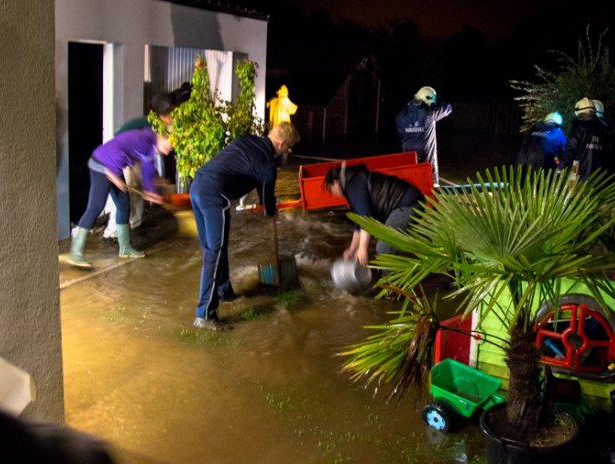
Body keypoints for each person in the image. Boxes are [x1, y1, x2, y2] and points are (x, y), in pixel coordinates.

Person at [189, 122, 300, 331]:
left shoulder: (248, 140)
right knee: (214, 251)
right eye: (288, 148)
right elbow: (267, 200)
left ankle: (224, 291)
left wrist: (266, 203)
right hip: (214, 195)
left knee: (213, 247)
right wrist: (271, 211)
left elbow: (255, 178)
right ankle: (204, 314)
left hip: (197, 187)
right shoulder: (268, 164)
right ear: (281, 143)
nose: (288, 152)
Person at [65, 127, 171, 269]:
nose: (166, 151)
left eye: (169, 150)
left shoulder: (151, 147)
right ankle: (75, 252)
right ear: (160, 137)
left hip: (114, 166)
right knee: (96, 207)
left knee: (123, 204)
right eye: (166, 147)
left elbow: (147, 170)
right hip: (102, 165)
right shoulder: (142, 139)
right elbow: (117, 148)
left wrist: (150, 192)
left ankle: (125, 247)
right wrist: (115, 178)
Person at [101, 96, 174, 244]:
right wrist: (151, 189)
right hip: (124, 156)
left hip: (134, 156)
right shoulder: (151, 124)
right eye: (170, 118)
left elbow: (149, 161)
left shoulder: (159, 128)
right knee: (127, 193)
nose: (172, 122)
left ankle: (134, 224)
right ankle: (112, 232)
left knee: (137, 188)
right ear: (164, 117)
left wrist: (152, 185)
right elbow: (124, 141)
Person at [323, 163, 424, 267]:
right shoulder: (354, 183)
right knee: (388, 246)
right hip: (407, 202)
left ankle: (392, 282)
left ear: (335, 183)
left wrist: (362, 248)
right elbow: (359, 223)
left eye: (331, 190)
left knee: (383, 249)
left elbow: (366, 217)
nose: (333, 194)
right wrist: (352, 250)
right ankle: (399, 272)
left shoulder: (354, 184)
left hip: (408, 204)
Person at [395, 86, 452, 187]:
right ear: (428, 99)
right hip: (428, 169)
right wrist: (435, 104)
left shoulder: (401, 116)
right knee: (431, 195)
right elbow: (448, 107)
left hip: (409, 168)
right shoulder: (430, 113)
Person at [559, 97, 611, 180]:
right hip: (597, 173)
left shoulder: (578, 126)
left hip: (576, 171)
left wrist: (561, 167)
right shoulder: (603, 129)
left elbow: (570, 149)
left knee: (573, 192)